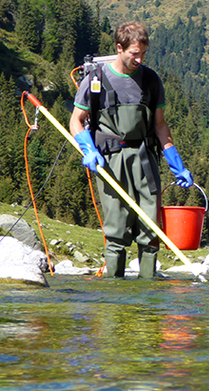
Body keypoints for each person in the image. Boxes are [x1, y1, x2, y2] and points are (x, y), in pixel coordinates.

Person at [69, 21, 193, 279]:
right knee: (116, 231)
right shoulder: (96, 79)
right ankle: (115, 299)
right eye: (134, 54)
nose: (139, 59)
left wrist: (176, 162)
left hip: (145, 161)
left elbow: (160, 126)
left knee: (150, 232)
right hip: (110, 163)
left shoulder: (150, 80)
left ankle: (146, 300)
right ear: (119, 48)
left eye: (143, 54)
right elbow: (76, 120)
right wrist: (88, 149)